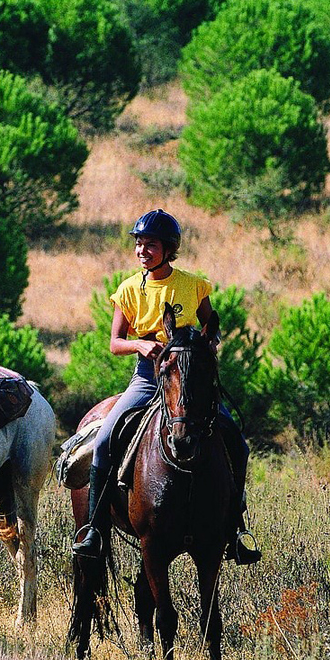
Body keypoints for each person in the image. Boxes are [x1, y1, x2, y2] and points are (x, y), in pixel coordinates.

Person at [72, 208, 260, 564]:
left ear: (168, 248)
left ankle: (235, 528)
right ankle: (94, 529)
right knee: (104, 439)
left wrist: (206, 343)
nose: (143, 250)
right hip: (147, 376)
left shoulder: (192, 285)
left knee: (234, 438)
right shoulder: (128, 289)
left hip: (189, 375)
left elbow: (211, 325)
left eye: (151, 245)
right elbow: (115, 343)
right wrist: (140, 344)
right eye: (139, 244)